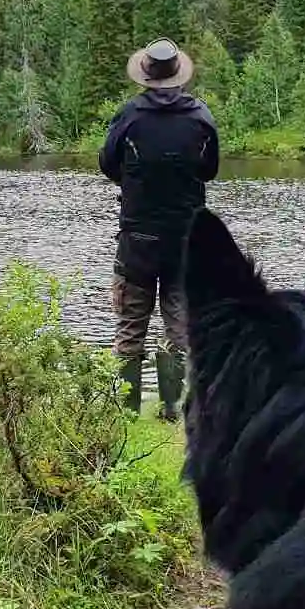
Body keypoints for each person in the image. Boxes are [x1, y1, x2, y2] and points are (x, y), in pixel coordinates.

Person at [99, 37, 219, 419]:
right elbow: (209, 170)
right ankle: (171, 408)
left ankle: (129, 412)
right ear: (177, 75)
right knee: (180, 327)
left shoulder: (129, 116)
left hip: (136, 242)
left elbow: (107, 163)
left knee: (130, 326)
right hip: (186, 242)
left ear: (146, 75)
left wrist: (135, 180)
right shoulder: (201, 117)